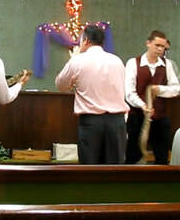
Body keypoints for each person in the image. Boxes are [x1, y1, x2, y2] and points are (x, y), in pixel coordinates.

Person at [55, 25, 129, 164]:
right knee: (115, 170)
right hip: (117, 122)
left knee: (90, 170)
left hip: (91, 123)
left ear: (86, 40)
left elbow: (61, 85)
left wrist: (73, 59)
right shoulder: (117, 61)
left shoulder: (77, 60)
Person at [125, 30, 180, 164]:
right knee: (133, 156)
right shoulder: (133, 63)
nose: (160, 49)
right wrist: (142, 105)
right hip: (137, 118)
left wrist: (159, 89)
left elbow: (176, 88)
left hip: (160, 118)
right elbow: (129, 92)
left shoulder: (167, 65)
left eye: (163, 47)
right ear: (148, 43)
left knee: (162, 157)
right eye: (157, 45)